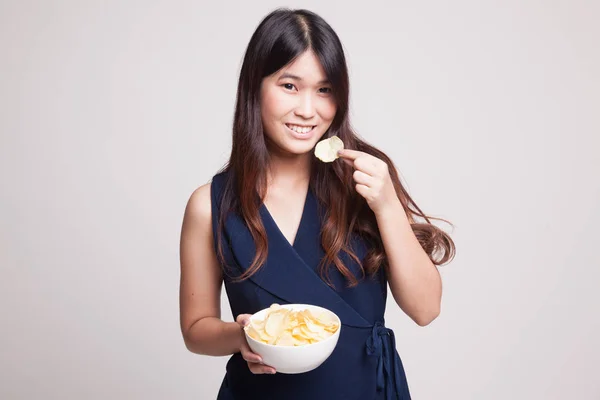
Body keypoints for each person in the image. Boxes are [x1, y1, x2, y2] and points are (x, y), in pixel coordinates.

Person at [179, 8, 455, 400]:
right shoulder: (210, 205)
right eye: (290, 86)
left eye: (324, 90)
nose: (308, 110)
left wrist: (388, 206)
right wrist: (242, 337)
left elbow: (426, 309)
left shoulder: (367, 181)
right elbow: (195, 329)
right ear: (254, 87)